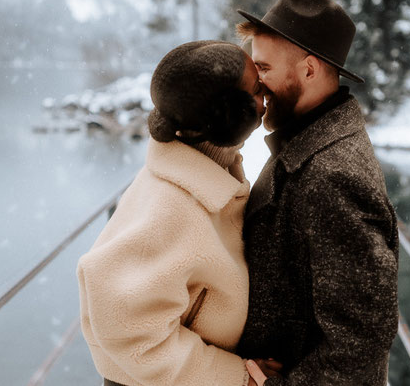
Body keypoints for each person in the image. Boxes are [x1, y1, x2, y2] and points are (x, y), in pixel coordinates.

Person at [76, 40, 276, 386]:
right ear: (231, 114)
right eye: (258, 88)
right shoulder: (173, 206)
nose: (267, 96)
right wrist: (236, 378)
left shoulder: (206, 177)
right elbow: (130, 329)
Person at [234, 0, 400, 385]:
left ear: (309, 70)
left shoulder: (332, 175)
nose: (255, 85)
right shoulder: (305, 139)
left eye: (265, 69)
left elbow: (360, 344)